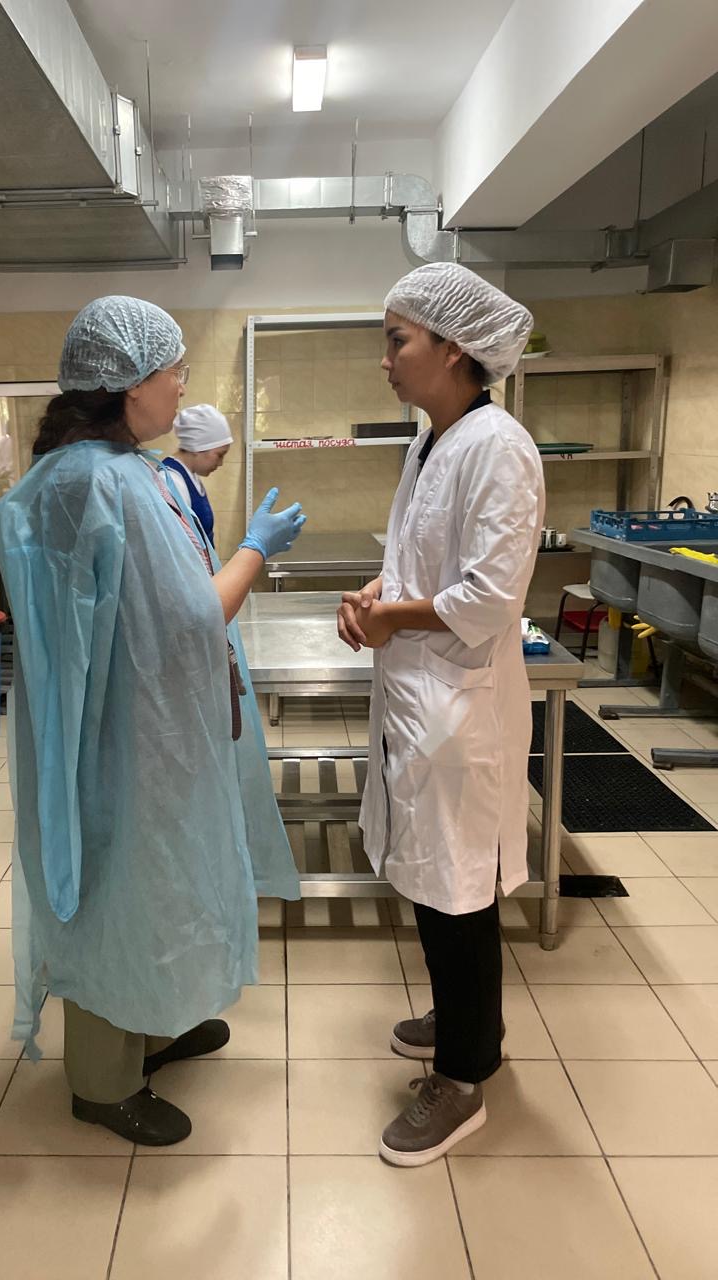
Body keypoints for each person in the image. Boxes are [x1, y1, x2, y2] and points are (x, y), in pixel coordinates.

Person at [0, 295, 306, 1147]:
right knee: (120, 889)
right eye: (175, 372)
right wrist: (256, 549)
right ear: (130, 383)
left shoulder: (121, 472)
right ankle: (103, 1083)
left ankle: (154, 1025)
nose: (182, 388)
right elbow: (190, 617)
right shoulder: (94, 481)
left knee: (162, 879)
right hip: (118, 742)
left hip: (150, 729)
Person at [337, 263, 544, 1167]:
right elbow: (420, 561)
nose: (384, 360)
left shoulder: (499, 446)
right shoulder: (430, 444)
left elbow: (490, 597)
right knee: (432, 883)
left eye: (397, 341)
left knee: (458, 893)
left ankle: (462, 1083)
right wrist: (375, 593)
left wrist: (395, 618)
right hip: (421, 702)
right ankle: (467, 1024)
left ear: (454, 348)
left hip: (462, 714)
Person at [163, 403, 233, 546]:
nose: (220, 463)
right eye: (219, 455)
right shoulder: (172, 482)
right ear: (197, 447)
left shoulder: (191, 475)